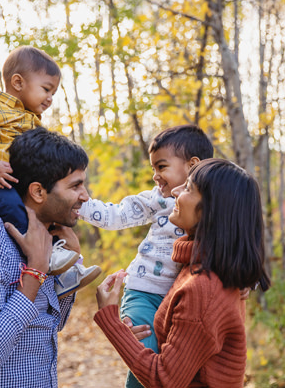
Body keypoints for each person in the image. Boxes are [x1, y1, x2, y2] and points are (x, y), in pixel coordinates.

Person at [94, 158, 270, 387]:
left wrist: (109, 317)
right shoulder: (203, 269)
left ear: (211, 209)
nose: (175, 191)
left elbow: (163, 380)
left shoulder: (204, 289)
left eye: (188, 188)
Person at [0, 127, 92, 387]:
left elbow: (50, 325)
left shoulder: (46, 235)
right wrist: (36, 270)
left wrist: (69, 262)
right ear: (38, 192)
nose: (86, 196)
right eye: (76, 186)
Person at [77, 124, 214, 388]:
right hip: (144, 292)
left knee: (175, 369)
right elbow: (115, 215)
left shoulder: (214, 205)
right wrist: (76, 202)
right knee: (146, 357)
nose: (155, 176)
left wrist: (244, 282)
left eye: (161, 167)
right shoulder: (156, 200)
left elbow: (232, 245)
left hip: (180, 302)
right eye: (153, 169)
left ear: (192, 165)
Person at [0, 45, 99, 296]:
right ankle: (44, 258)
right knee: (14, 207)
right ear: (18, 82)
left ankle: (67, 271)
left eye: (53, 92)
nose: (49, 98)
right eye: (46, 89)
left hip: (14, 185)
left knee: (53, 213)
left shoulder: (33, 120)